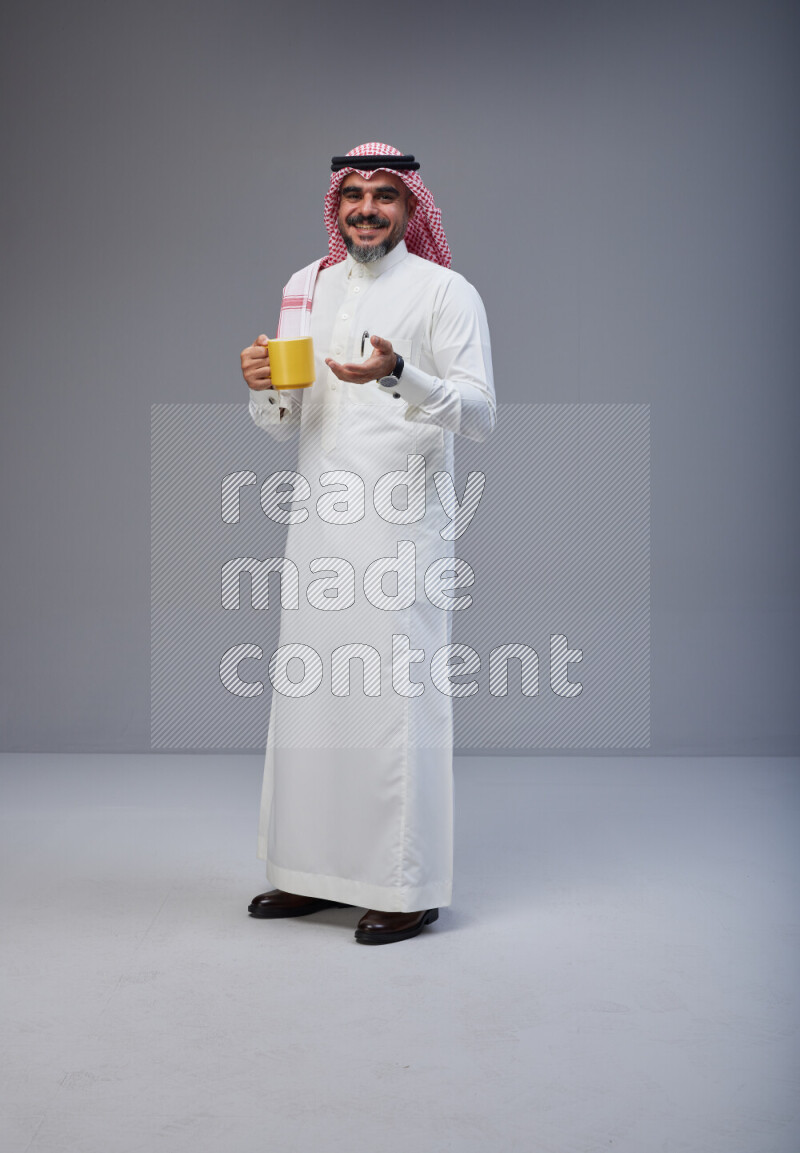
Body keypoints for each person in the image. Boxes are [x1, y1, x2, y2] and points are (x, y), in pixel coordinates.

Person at [240, 142, 495, 945]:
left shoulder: (445, 292)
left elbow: (482, 414)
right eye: (353, 194)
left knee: (394, 705)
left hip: (402, 533)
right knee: (312, 702)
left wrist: (400, 374)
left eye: (385, 195)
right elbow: (287, 424)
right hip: (316, 526)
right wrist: (264, 387)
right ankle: (307, 874)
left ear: (412, 208)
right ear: (335, 204)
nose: (366, 209)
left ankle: (404, 884)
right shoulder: (303, 287)